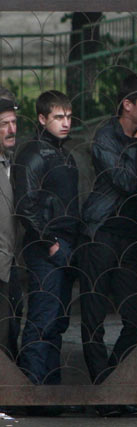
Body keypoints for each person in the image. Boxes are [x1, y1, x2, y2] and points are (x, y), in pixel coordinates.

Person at [79, 74, 137, 391]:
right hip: (101, 233)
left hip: (132, 238)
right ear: (128, 105)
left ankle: (112, 379)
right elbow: (128, 181)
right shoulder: (105, 136)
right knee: (93, 314)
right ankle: (100, 385)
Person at [13, 90, 79, 388]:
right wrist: (47, 241)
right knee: (43, 317)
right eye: (58, 117)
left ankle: (49, 390)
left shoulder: (63, 152)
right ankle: (33, 388)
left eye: (68, 117)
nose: (65, 123)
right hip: (47, 246)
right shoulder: (33, 154)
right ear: (42, 118)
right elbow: (26, 204)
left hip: (64, 242)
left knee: (56, 320)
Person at [0, 87, 18, 360]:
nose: (11, 129)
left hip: (9, 266)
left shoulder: (11, 162)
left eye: (14, 123)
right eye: (4, 124)